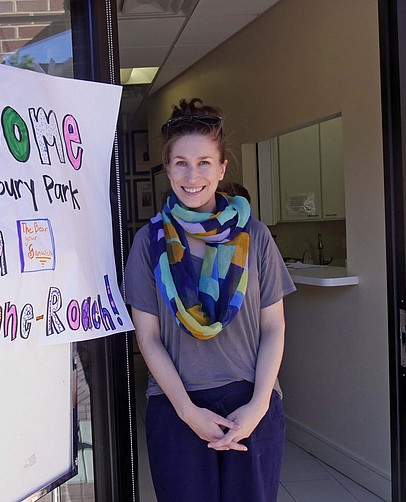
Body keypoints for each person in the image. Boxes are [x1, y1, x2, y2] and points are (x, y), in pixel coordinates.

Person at [125, 98, 295, 501]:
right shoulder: (149, 244)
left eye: (204, 162)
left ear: (221, 169)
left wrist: (257, 406)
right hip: (176, 404)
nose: (192, 175)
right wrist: (187, 411)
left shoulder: (255, 237)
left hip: (251, 401)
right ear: (167, 170)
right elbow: (147, 338)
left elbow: (274, 326)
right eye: (180, 163)